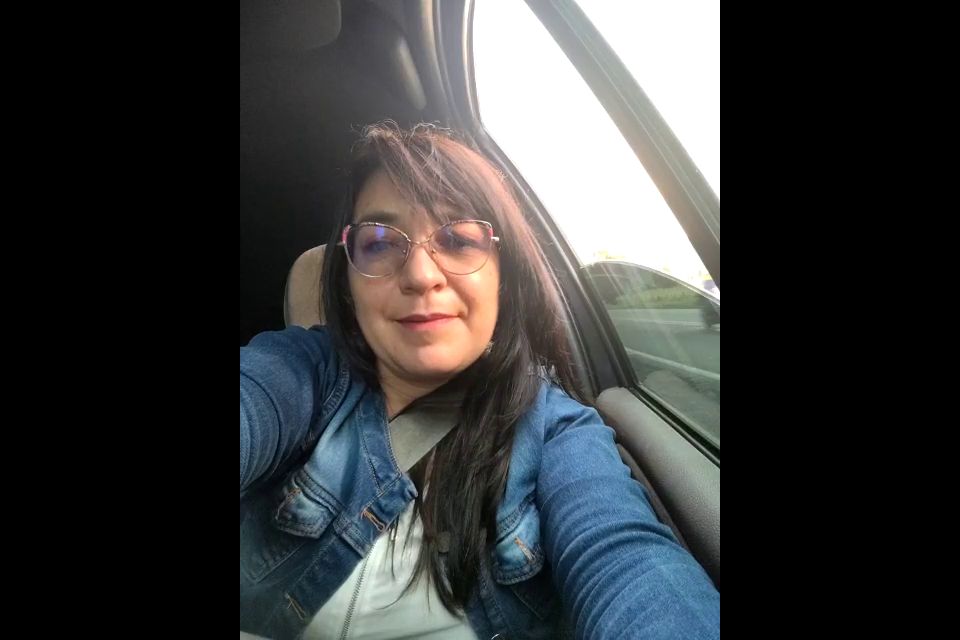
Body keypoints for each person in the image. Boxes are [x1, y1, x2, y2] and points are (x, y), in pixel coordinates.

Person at [240, 122, 720, 639]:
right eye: (379, 243)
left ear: (503, 277)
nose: (421, 275)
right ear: (348, 281)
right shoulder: (301, 372)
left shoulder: (556, 431)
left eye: (459, 239)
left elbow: (628, 563)